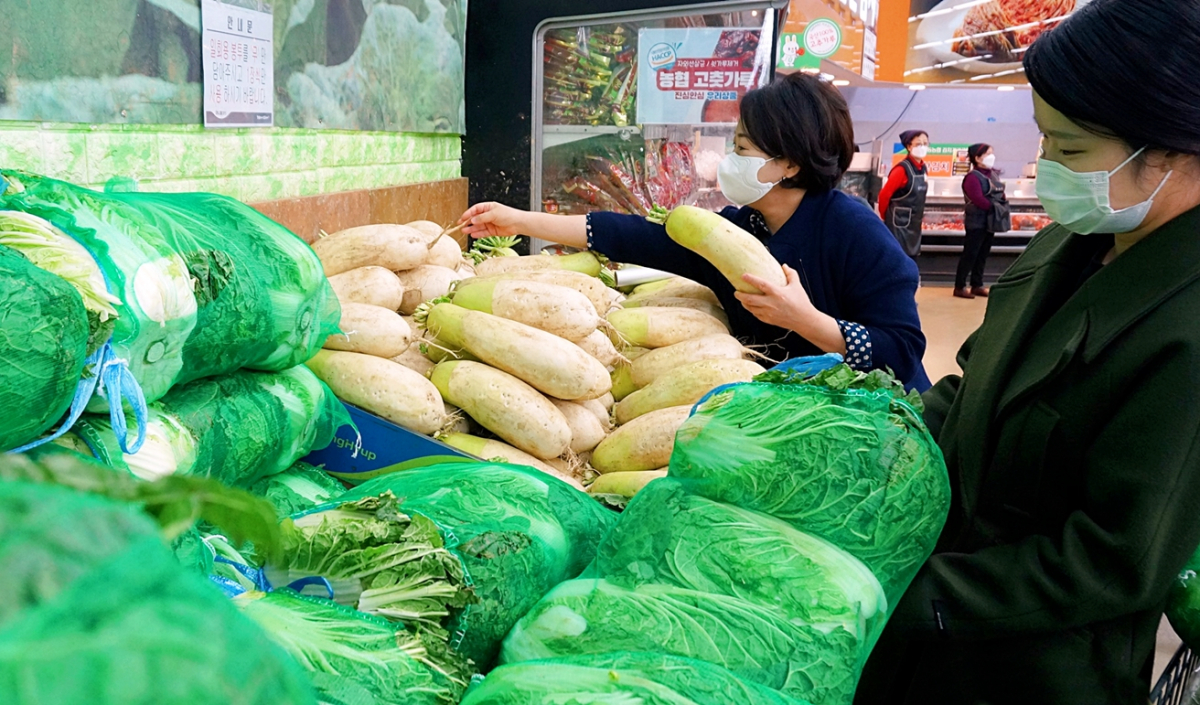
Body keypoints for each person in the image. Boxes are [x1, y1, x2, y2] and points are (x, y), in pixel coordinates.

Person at [855, 1, 1200, 702]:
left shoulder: (1187, 327)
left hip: (1034, 666)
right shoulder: (1067, 244)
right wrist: (863, 443)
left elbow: (1112, 558)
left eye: (1070, 149)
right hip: (922, 634)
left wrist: (902, 593)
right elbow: (972, 382)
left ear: (1175, 149)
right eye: (1044, 140)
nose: (1047, 167)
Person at [458, 73, 931, 391]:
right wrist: (519, 219)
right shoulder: (743, 226)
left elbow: (903, 351)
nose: (730, 158)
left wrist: (803, 318)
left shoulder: (854, 232)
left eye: (742, 147)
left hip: (871, 426)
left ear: (788, 163)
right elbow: (640, 236)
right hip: (788, 409)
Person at [954, 143, 1011, 299]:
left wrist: (999, 202)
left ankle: (977, 284)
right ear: (977, 158)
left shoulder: (992, 175)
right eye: (987, 154)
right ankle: (959, 286)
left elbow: (1000, 192)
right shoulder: (972, 177)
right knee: (970, 254)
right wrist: (995, 207)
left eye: (992, 153)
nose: (991, 157)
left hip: (990, 221)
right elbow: (978, 199)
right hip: (976, 221)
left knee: (983, 254)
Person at [878, 129, 931, 258]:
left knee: (912, 258)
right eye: (918, 144)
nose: (923, 146)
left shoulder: (923, 168)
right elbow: (884, 195)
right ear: (909, 146)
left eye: (925, 143)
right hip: (898, 225)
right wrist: (885, 217)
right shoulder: (901, 169)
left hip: (914, 223)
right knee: (898, 258)